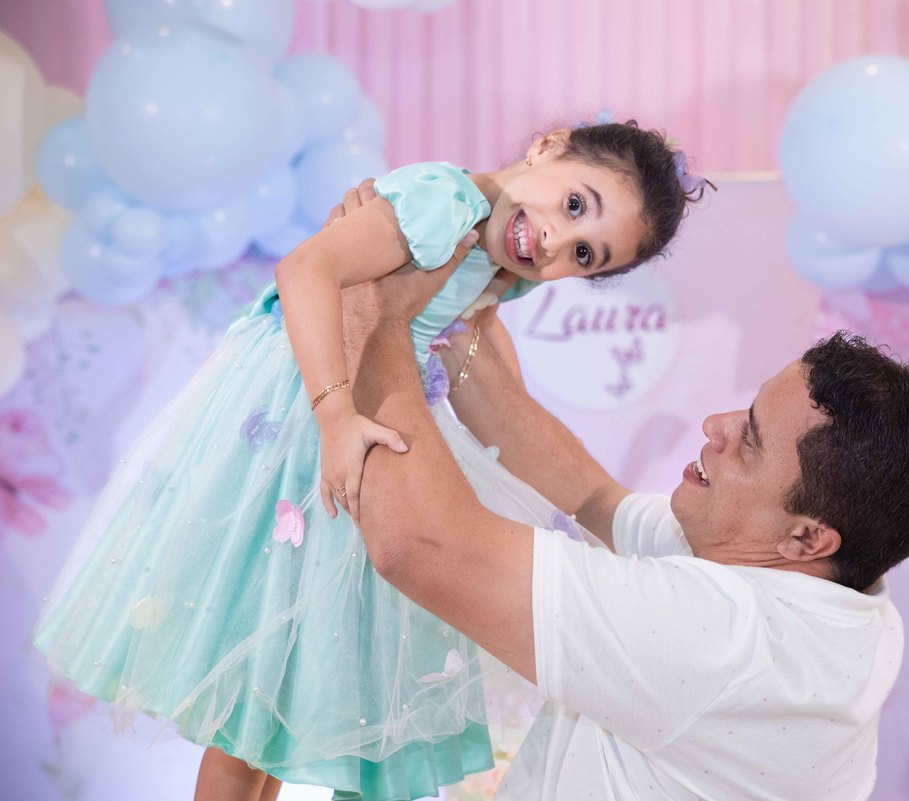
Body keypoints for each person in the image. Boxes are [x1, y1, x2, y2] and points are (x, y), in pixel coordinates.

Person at [32, 120, 706, 801]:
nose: (557, 240)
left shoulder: (509, 266)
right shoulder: (444, 201)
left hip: (371, 424)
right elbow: (306, 269)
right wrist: (333, 415)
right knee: (254, 698)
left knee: (291, 687)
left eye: (585, 254)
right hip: (302, 417)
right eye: (574, 203)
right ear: (548, 147)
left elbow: (472, 336)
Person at [333, 241, 909, 800]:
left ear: (806, 537)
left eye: (749, 442)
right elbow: (585, 492)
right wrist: (459, 315)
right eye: (745, 411)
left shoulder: (725, 642)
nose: (716, 427)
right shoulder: (835, 590)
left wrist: (379, 319)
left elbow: (421, 546)